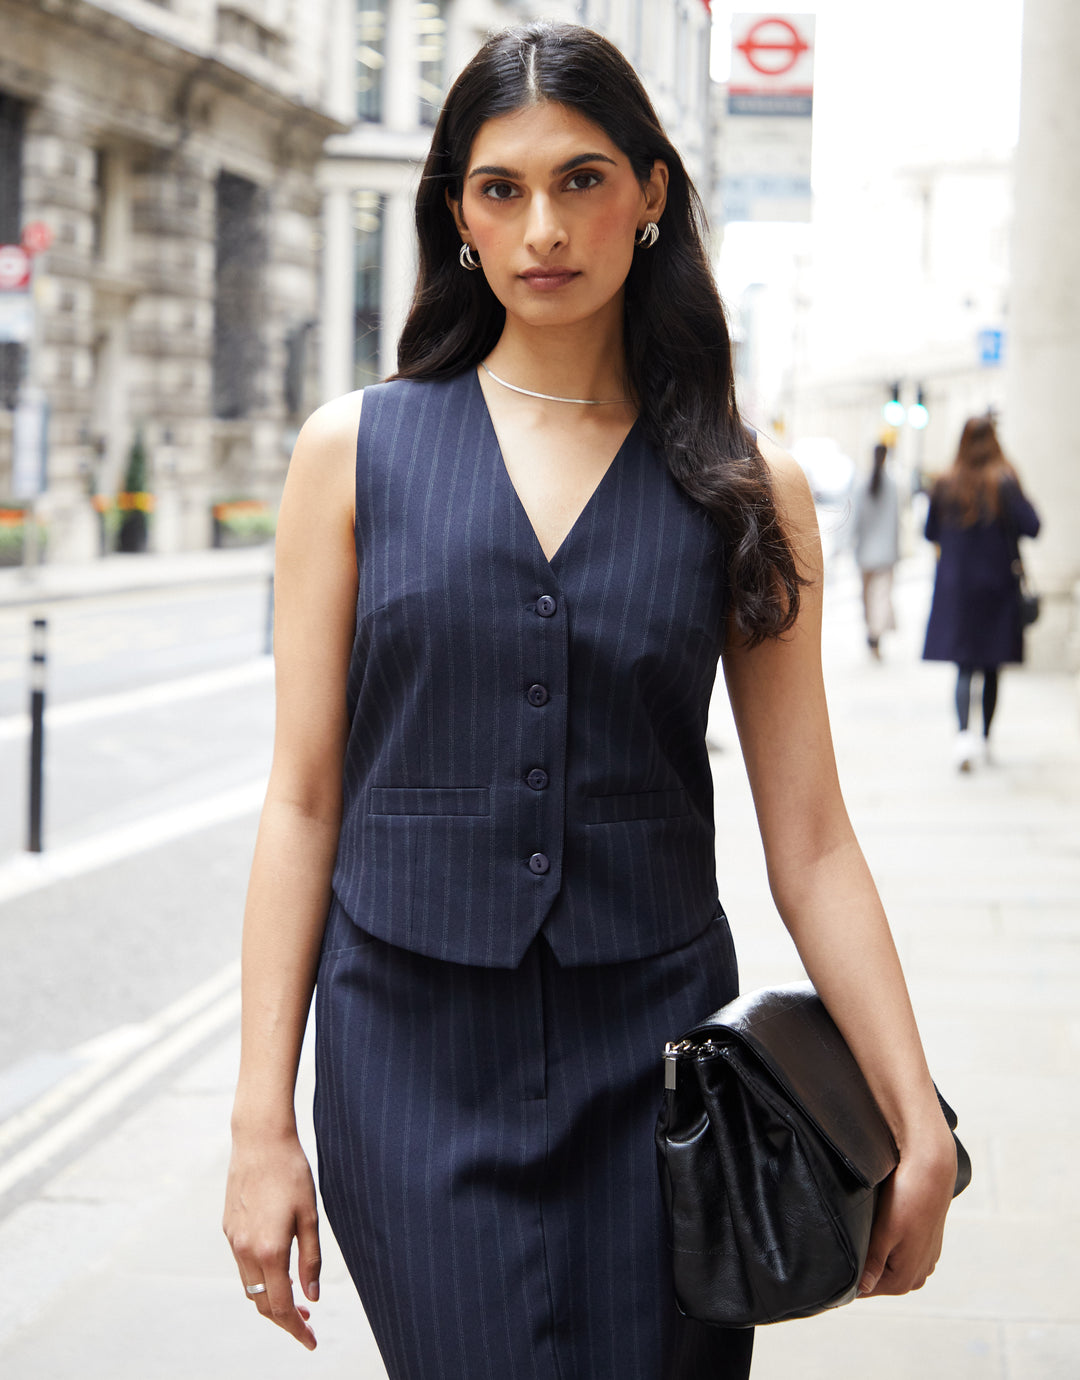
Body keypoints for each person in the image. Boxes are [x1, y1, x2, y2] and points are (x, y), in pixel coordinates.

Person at [223, 22, 959, 1379]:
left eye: (583, 178)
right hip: (408, 1061)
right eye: (501, 188)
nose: (543, 226)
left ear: (653, 193)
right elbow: (303, 797)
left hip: (663, 1075)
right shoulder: (354, 454)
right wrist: (260, 1121)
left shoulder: (749, 484)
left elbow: (811, 838)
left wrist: (915, 1111)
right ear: (457, 212)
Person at [922, 415, 1040, 771]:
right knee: (991, 666)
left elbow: (929, 532)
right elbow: (1033, 525)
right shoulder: (1004, 481)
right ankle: (985, 739)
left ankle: (963, 737)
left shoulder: (945, 483)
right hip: (996, 589)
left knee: (964, 666)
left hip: (957, 590)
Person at [852, 442, 901, 658]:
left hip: (866, 553)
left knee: (868, 597)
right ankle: (875, 633)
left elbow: (855, 520)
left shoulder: (862, 485)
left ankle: (873, 633)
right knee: (880, 596)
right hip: (885, 553)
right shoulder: (892, 487)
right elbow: (897, 521)